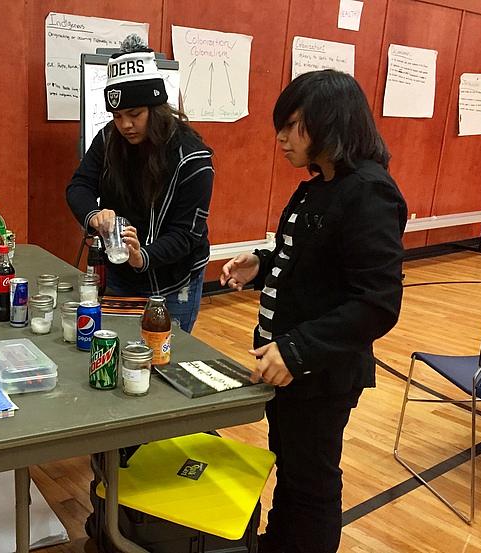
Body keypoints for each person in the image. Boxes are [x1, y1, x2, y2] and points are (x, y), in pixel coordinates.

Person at [220, 70, 407, 553]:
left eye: (294, 125)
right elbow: (310, 260)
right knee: (291, 468)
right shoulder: (318, 184)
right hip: (287, 365)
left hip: (320, 370)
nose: (281, 138)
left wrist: (298, 349)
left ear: (332, 124)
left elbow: (377, 302)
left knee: (311, 482)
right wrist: (260, 266)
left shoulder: (369, 190)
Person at [66, 34, 214, 332]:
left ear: (156, 108)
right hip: (122, 272)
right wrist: (94, 216)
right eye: (117, 116)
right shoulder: (109, 139)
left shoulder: (193, 158)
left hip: (174, 279)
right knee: (120, 345)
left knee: (164, 356)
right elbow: (78, 186)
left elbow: (185, 235)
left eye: (135, 114)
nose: (125, 125)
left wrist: (141, 256)